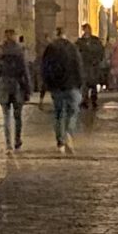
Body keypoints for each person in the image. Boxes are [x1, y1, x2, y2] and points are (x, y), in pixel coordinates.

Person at [41, 27, 83, 155]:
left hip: (56, 86)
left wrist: (47, 85)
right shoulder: (72, 48)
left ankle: (60, 142)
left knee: (59, 114)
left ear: (56, 34)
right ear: (65, 34)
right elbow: (78, 66)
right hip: (71, 85)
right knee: (73, 111)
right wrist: (80, 83)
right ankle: (68, 132)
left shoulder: (50, 49)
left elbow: (45, 68)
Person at [0, 29, 31, 154]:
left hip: (3, 84)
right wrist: (28, 88)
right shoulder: (19, 50)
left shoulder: (0, 50)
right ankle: (17, 141)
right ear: (14, 36)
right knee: (18, 116)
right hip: (17, 84)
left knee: (6, 116)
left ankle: (8, 144)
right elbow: (25, 71)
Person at [76, 24, 105, 109]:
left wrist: (98, 60)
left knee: (93, 84)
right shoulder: (80, 42)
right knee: (84, 85)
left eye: (88, 29)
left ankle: (94, 100)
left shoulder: (96, 41)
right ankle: (84, 100)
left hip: (94, 66)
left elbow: (101, 51)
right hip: (84, 66)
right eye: (85, 29)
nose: (87, 31)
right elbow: (77, 53)